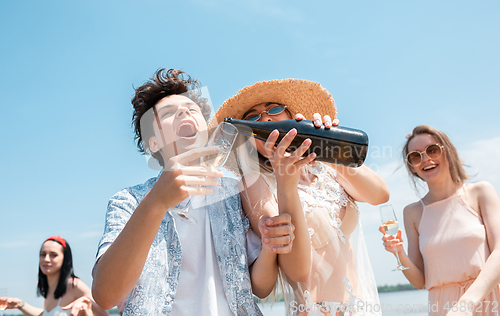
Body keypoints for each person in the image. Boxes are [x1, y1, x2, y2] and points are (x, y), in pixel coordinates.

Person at [91, 69, 294, 316]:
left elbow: (261, 288)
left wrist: (269, 245)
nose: (183, 112)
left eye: (191, 109)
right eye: (167, 113)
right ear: (153, 142)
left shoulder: (234, 193)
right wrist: (155, 203)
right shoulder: (128, 201)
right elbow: (105, 295)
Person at [213, 79, 390, 316]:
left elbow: (380, 194)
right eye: (253, 118)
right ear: (249, 137)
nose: (265, 119)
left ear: (291, 115)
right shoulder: (254, 182)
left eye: (274, 109)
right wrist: (286, 182)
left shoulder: (327, 169)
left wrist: (326, 147)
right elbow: (296, 270)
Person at [380, 125, 500, 316]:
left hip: (485, 301)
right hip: (442, 308)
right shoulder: (412, 213)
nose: (426, 158)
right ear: (412, 167)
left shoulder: (481, 192)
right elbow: (420, 281)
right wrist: (398, 252)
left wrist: (467, 303)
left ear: (447, 151)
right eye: (415, 156)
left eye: (432, 150)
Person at [0, 236, 107, 316]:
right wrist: (19, 304)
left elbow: (103, 314)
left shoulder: (75, 285)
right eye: (43, 254)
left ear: (64, 259)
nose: (46, 259)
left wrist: (87, 310)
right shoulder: (50, 289)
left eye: (53, 255)